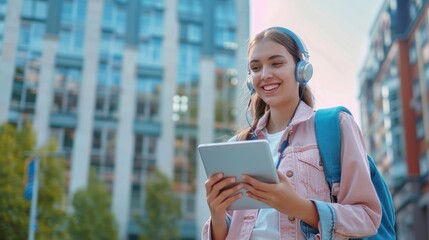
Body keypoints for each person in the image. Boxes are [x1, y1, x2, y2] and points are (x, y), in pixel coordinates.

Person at [201, 27, 382, 239]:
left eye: (276, 63)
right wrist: (217, 216)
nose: (265, 75)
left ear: (302, 70)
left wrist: (299, 207)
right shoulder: (237, 146)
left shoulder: (336, 126)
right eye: (256, 68)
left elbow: (367, 217)